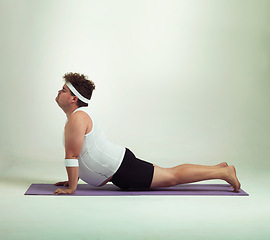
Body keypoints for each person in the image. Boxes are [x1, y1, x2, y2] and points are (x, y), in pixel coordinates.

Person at [54, 72, 241, 195]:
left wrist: (72, 188)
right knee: (170, 175)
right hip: (119, 168)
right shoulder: (75, 119)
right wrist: (72, 179)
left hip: (122, 168)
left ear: (73, 98)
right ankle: (219, 168)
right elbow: (83, 153)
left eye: (63, 90)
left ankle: (224, 172)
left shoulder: (77, 119)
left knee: (171, 177)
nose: (59, 91)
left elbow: (73, 155)